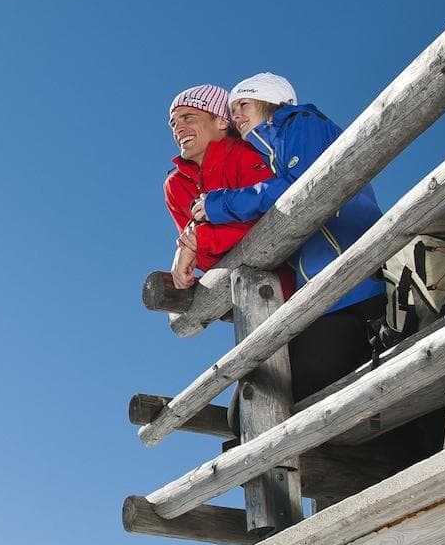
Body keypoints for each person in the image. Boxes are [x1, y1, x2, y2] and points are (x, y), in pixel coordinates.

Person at [189, 72, 386, 404]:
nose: (236, 117)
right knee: (253, 400)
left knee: (292, 389)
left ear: (270, 101)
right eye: (232, 111)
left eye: (243, 105)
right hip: (324, 291)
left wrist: (218, 204)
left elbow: (297, 188)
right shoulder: (272, 149)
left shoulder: (301, 122)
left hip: (352, 283)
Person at [161, 84, 278, 292]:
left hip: (289, 278)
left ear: (222, 121)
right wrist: (190, 246)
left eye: (188, 118)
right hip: (238, 291)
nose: (178, 129)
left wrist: (199, 240)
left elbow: (268, 214)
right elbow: (203, 258)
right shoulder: (175, 185)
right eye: (173, 123)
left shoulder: (249, 153)